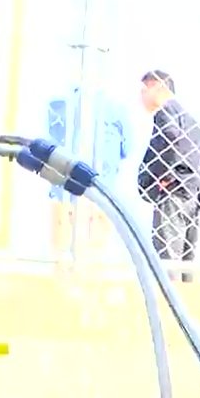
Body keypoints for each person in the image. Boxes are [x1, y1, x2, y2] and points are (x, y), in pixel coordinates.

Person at [136, 70, 200, 280]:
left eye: (145, 90)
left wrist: (163, 178)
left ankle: (168, 297)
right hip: (193, 195)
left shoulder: (165, 112)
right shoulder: (190, 120)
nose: (141, 96)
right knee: (185, 263)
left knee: (168, 260)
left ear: (158, 87)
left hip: (173, 193)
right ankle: (182, 297)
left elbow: (170, 136)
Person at [45, 86, 131, 265]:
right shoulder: (115, 109)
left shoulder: (58, 105)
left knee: (61, 252)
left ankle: (63, 274)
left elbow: (50, 142)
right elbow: (126, 149)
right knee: (95, 253)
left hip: (64, 188)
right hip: (100, 189)